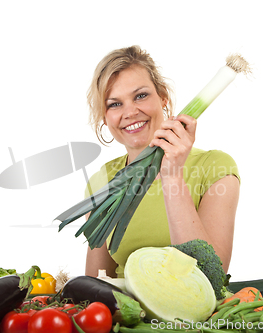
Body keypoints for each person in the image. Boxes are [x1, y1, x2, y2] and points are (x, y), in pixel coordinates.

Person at [84, 45, 240, 278]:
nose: (130, 112)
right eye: (114, 104)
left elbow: (210, 277)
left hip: (191, 314)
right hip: (128, 314)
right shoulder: (102, 182)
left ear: (163, 97)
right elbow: (95, 284)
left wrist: (172, 175)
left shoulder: (215, 168)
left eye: (141, 96)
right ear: (105, 118)